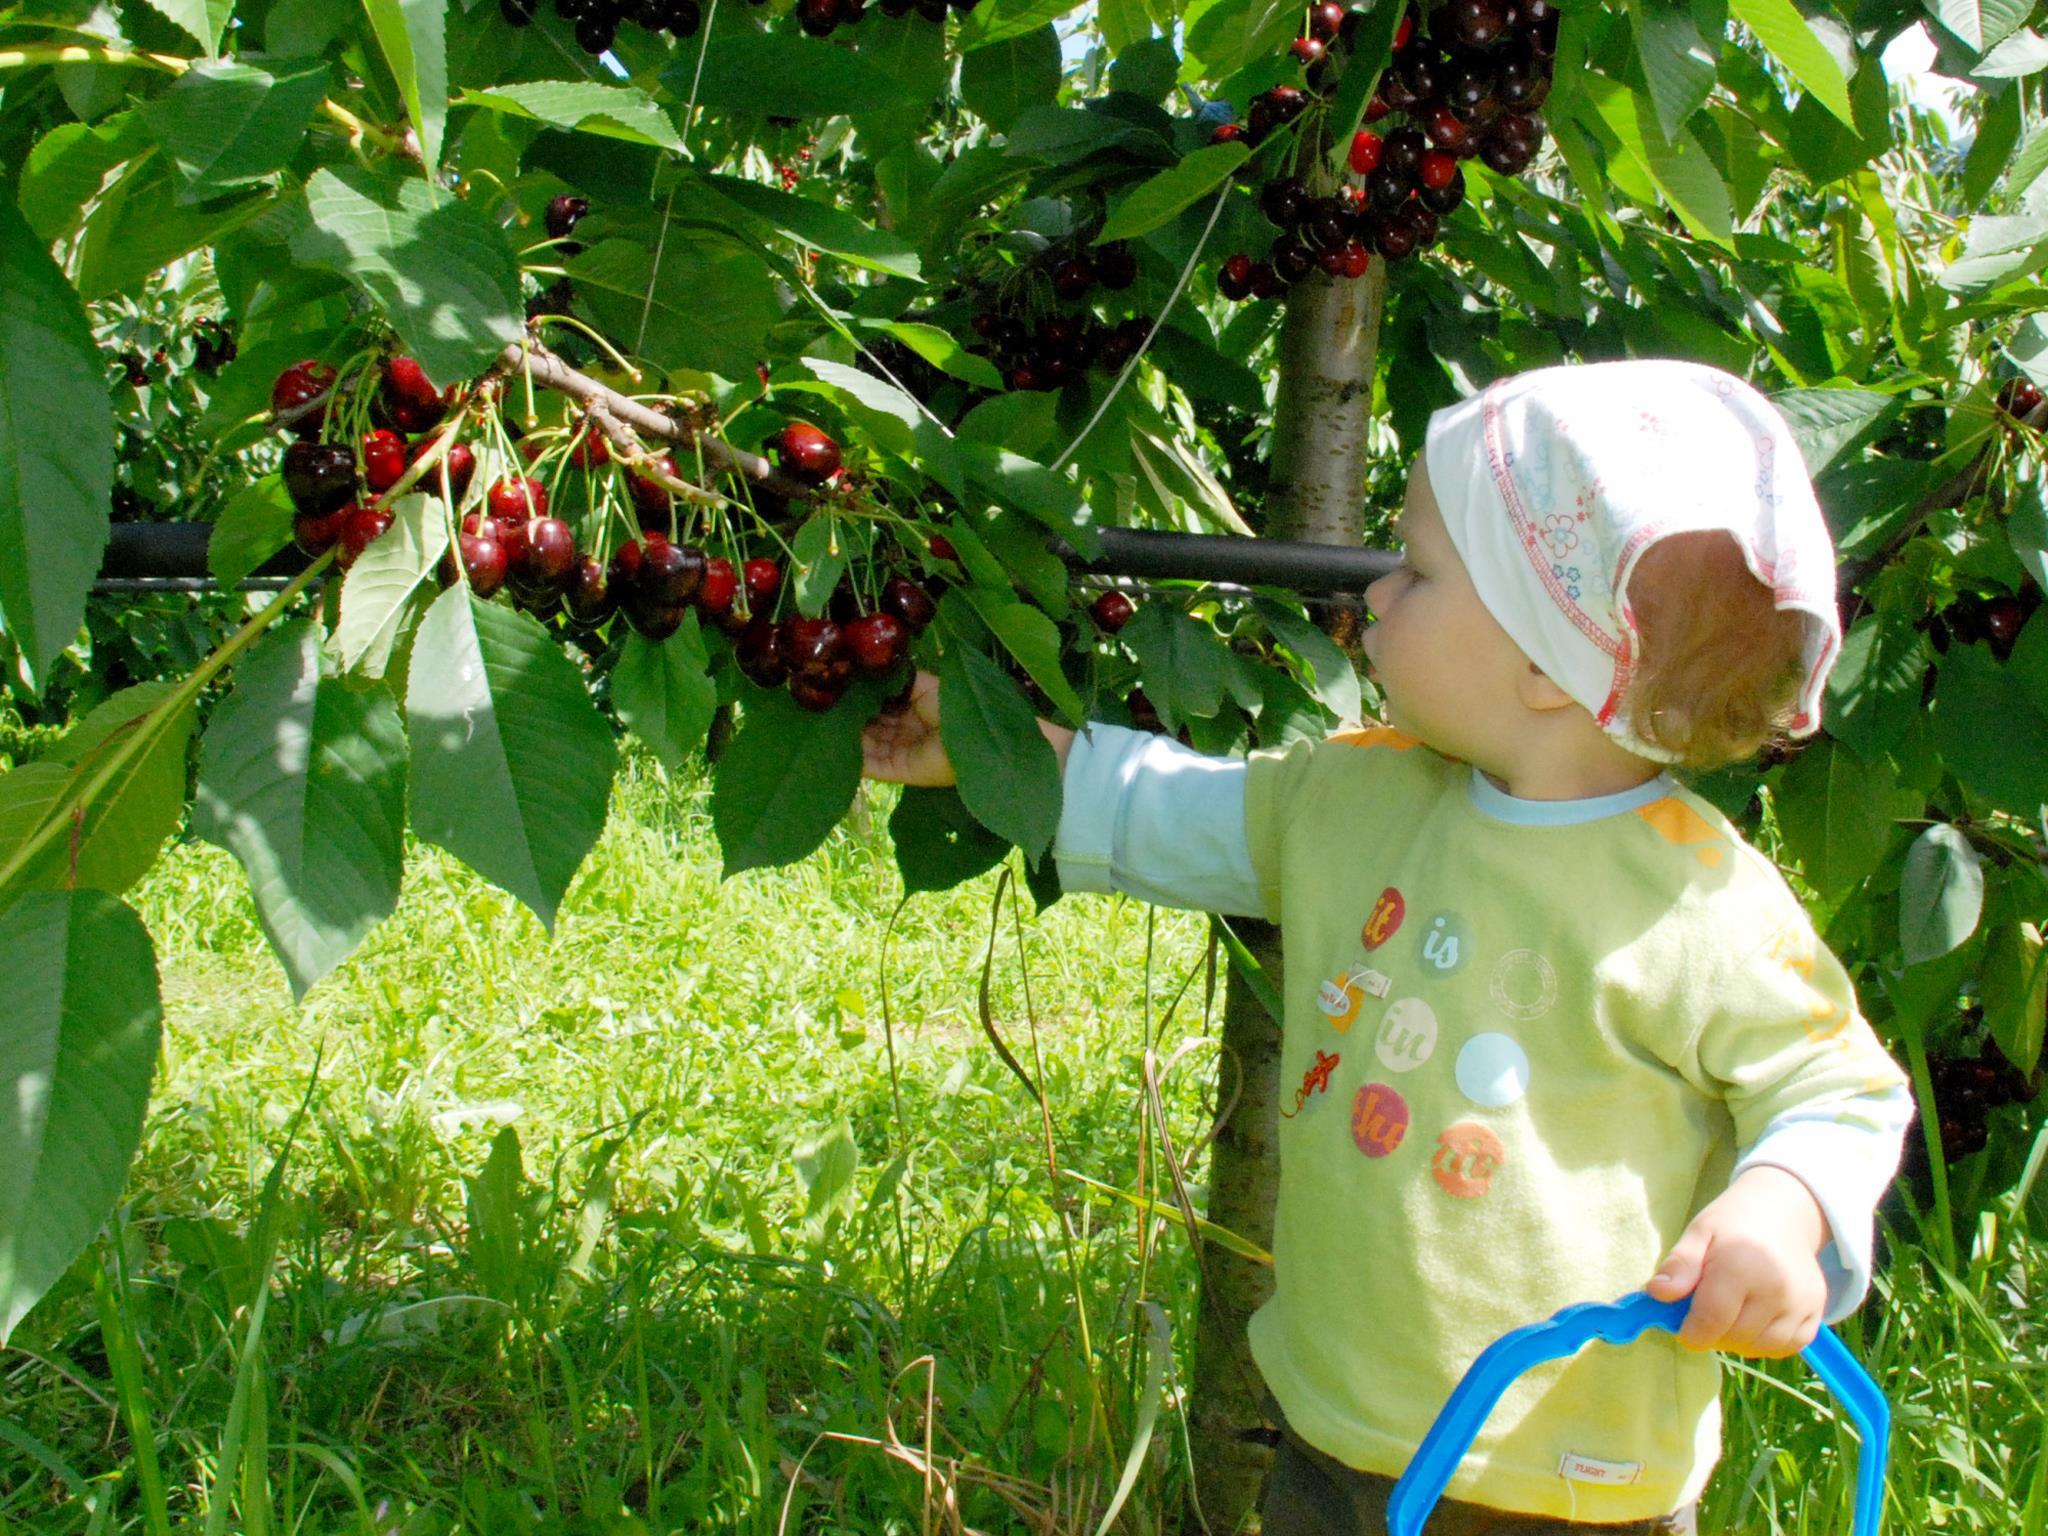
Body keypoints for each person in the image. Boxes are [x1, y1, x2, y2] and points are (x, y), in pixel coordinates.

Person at [860, 360, 1915, 1534]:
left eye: (1416, 569)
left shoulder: (1694, 898)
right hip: (1339, 1425)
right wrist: (1002, 747)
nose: (1371, 592)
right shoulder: (1354, 795)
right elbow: (1168, 809)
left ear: (1544, 664)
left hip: (1568, 1477)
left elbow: (1837, 1086)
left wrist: (1779, 1205)